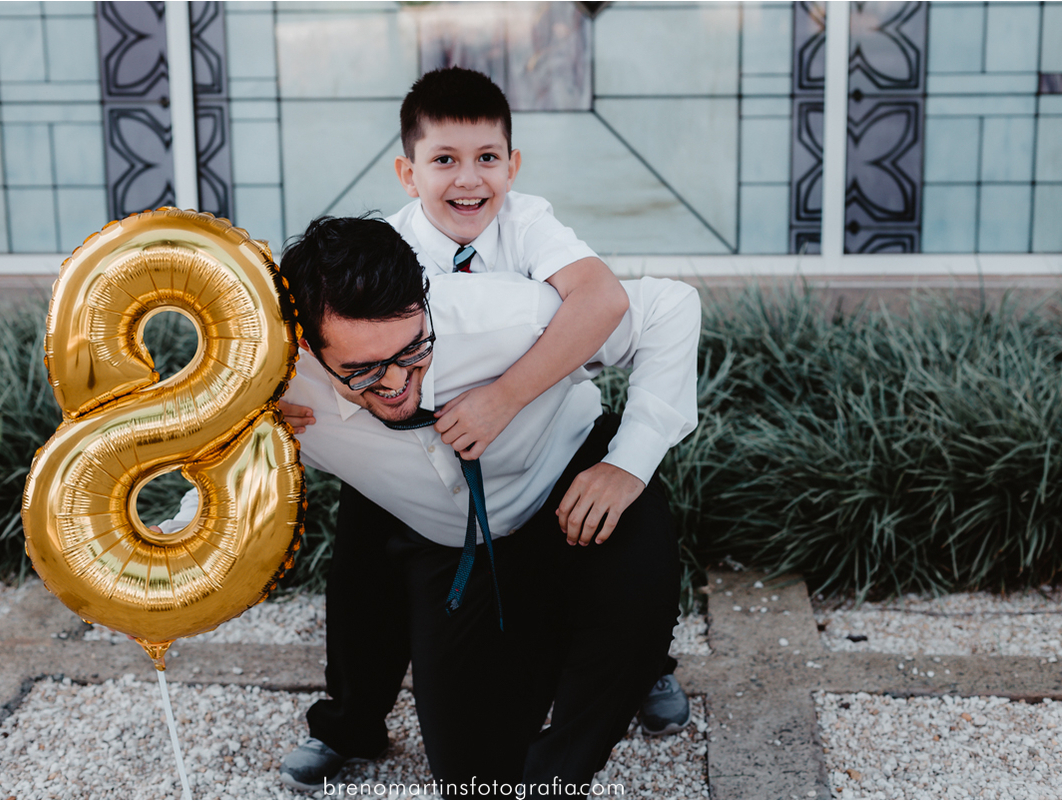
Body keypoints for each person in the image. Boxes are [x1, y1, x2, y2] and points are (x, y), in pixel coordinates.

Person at [163, 215, 701, 797]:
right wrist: (170, 552)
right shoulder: (275, 388)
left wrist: (628, 462)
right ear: (305, 346)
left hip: (570, 479)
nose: (395, 381)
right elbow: (211, 491)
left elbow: (668, 309)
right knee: (471, 778)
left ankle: (561, 779)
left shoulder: (497, 317)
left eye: (410, 350)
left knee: (632, 617)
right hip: (460, 550)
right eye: (361, 370)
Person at [277, 67, 691, 792]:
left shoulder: (522, 237)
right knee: (362, 576)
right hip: (413, 473)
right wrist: (262, 427)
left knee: (629, 562)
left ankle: (641, 665)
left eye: (487, 159)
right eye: (444, 161)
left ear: (512, 164)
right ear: (408, 172)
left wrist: (507, 395)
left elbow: (605, 302)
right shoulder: (377, 270)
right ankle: (350, 722)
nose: (468, 180)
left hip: (549, 436)